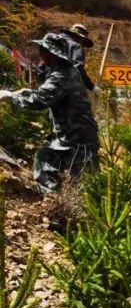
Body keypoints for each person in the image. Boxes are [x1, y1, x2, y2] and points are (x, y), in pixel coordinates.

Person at [0, 33, 98, 192]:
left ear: (51, 53)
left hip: (77, 139)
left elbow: (40, 100)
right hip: (76, 136)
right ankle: (59, 198)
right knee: (48, 159)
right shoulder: (65, 71)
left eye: (43, 50)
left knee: (83, 182)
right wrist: (24, 92)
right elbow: (46, 93)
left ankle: (56, 199)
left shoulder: (62, 74)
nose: (40, 53)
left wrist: (12, 97)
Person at [58, 23, 95, 91]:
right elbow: (78, 69)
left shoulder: (53, 41)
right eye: (83, 41)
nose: (82, 44)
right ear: (80, 37)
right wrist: (91, 86)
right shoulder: (76, 46)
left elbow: (41, 67)